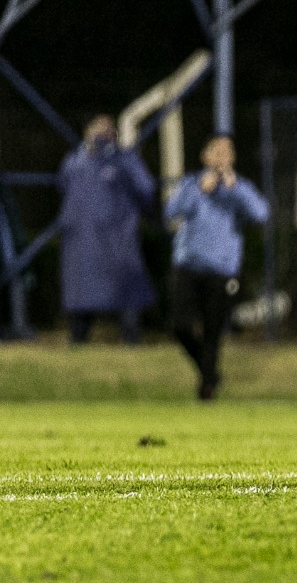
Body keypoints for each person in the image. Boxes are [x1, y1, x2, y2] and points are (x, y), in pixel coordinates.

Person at [165, 135, 269, 400]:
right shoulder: (192, 183)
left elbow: (261, 213)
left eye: (228, 151)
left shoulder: (239, 188)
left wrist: (235, 189)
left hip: (221, 270)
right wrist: (200, 189)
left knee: (213, 331)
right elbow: (171, 210)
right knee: (180, 326)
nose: (223, 157)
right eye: (217, 151)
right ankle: (209, 372)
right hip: (188, 265)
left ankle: (207, 388)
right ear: (206, 156)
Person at [57, 114, 155, 344]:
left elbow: (145, 189)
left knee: (124, 291)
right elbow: (63, 185)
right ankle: (79, 341)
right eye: (98, 130)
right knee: (85, 292)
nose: (102, 136)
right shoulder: (75, 162)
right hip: (85, 241)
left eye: (108, 130)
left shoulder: (124, 160)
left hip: (116, 240)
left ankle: (130, 341)